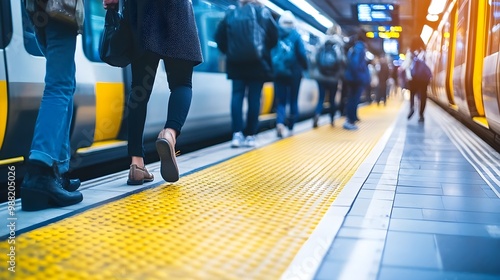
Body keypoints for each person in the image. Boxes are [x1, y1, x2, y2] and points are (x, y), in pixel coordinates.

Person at [104, 0, 203, 184]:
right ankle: (169, 134)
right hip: (176, 9)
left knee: (139, 90)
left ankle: (136, 164)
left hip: (142, 11)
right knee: (181, 84)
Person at [21, 2, 84, 211]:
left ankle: (59, 170)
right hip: (59, 7)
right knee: (59, 86)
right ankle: (40, 171)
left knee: (65, 84)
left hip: (40, 8)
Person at [214, 0, 278, 148]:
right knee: (254, 99)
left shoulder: (231, 13)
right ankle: (250, 135)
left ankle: (237, 134)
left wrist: (230, 52)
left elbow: (219, 36)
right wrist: (261, 50)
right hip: (258, 63)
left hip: (236, 63)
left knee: (237, 96)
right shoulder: (264, 13)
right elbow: (274, 38)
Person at [272, 11, 308, 137]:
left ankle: (280, 123)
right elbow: (302, 54)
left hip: (279, 72)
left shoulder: (276, 33)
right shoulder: (296, 35)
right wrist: (304, 67)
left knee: (281, 100)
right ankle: (291, 125)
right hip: (294, 73)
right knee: (293, 100)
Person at [312, 24, 345, 128]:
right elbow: (342, 60)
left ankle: (317, 114)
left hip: (321, 76)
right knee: (332, 99)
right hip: (333, 78)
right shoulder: (339, 44)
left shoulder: (322, 41)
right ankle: (331, 120)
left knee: (321, 98)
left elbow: (314, 58)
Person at [343, 30, 370, 130]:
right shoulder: (360, 48)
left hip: (352, 77)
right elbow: (355, 64)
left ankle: (352, 118)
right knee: (353, 99)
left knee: (352, 98)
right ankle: (350, 121)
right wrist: (358, 75)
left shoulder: (354, 47)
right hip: (356, 78)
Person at [403, 37, 429, 122]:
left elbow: (406, 66)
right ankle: (421, 115)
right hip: (424, 79)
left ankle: (412, 107)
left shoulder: (410, 53)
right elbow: (429, 65)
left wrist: (409, 77)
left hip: (413, 78)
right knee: (423, 97)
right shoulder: (425, 52)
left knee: (412, 94)